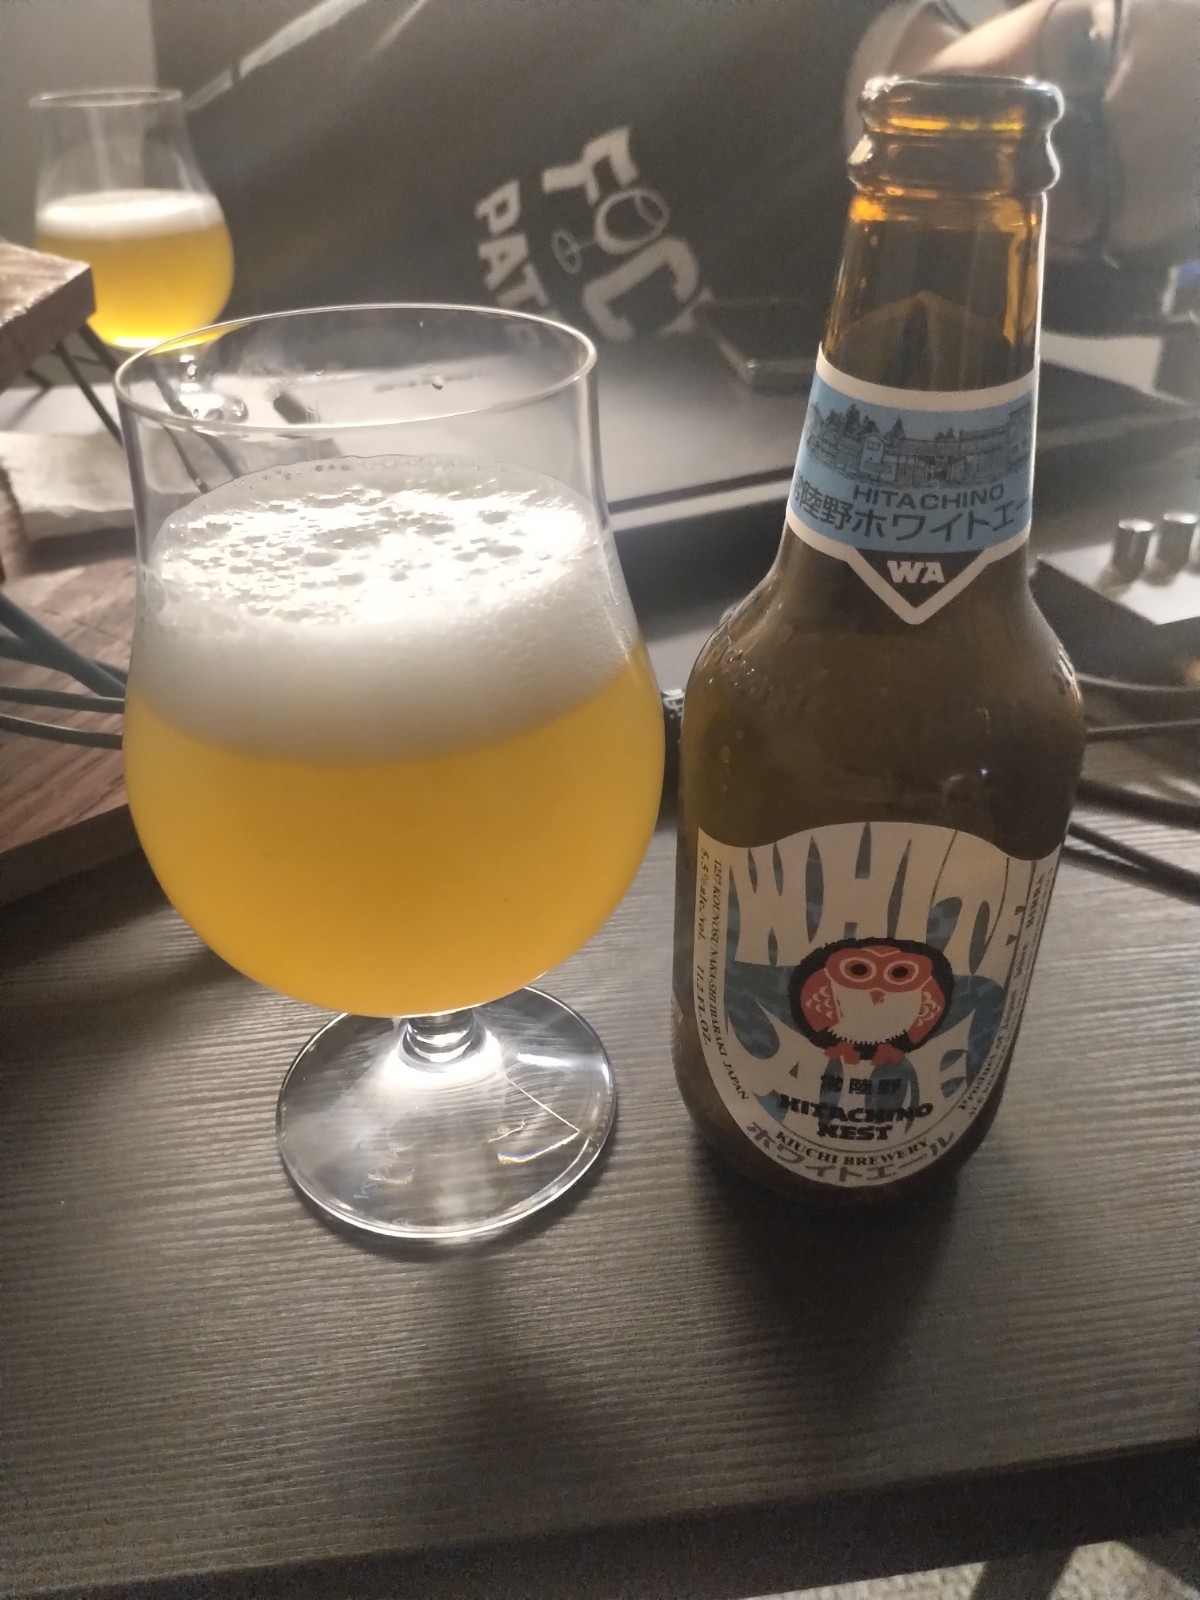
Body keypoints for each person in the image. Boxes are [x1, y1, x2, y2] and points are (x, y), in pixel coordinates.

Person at [158, 0, 1198, 342]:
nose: (1032, 110)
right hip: (244, 298)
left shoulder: (965, 330)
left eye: (1089, 167)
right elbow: (382, 80)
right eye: (1081, 51)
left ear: (1098, 257)